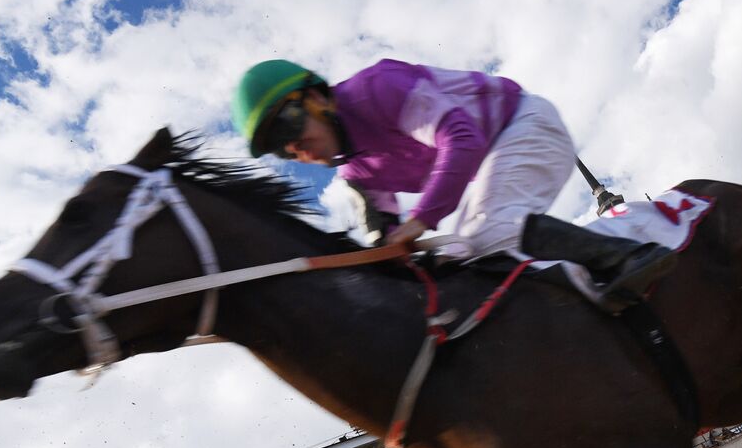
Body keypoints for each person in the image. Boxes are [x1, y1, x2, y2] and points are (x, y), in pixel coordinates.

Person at [231, 58, 676, 310]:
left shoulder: (377, 88)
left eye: (288, 126)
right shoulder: (356, 174)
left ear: (315, 97)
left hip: (524, 124)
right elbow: (385, 246)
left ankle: (631, 256)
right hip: (492, 165)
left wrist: (422, 219)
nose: (295, 147)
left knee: (485, 231)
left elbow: (460, 139)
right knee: (459, 254)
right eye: (279, 148)